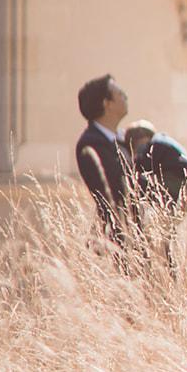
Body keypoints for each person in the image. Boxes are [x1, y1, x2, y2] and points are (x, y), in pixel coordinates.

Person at [124, 120, 187, 273]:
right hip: (181, 183)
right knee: (165, 235)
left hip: (169, 182)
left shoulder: (149, 146)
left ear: (139, 139)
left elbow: (139, 168)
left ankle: (152, 269)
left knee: (131, 182)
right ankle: (167, 270)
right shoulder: (165, 141)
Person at [75, 75, 133, 246]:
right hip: (113, 239)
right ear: (106, 103)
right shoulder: (90, 144)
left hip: (133, 234)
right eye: (119, 93)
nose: (125, 96)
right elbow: (116, 187)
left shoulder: (121, 139)